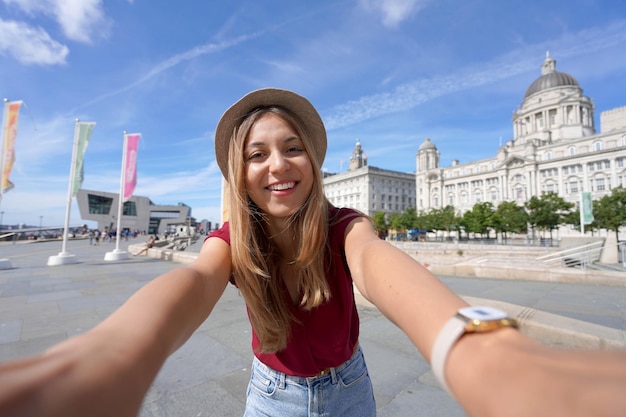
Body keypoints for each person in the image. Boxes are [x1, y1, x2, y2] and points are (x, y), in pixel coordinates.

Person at [1, 88, 625, 417]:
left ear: (315, 163)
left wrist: (486, 351)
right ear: (238, 174)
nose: (278, 165)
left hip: (352, 390)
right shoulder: (230, 244)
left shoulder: (345, 226)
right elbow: (189, 287)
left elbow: (385, 272)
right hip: (272, 397)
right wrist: (111, 354)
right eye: (257, 153)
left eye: (292, 147)